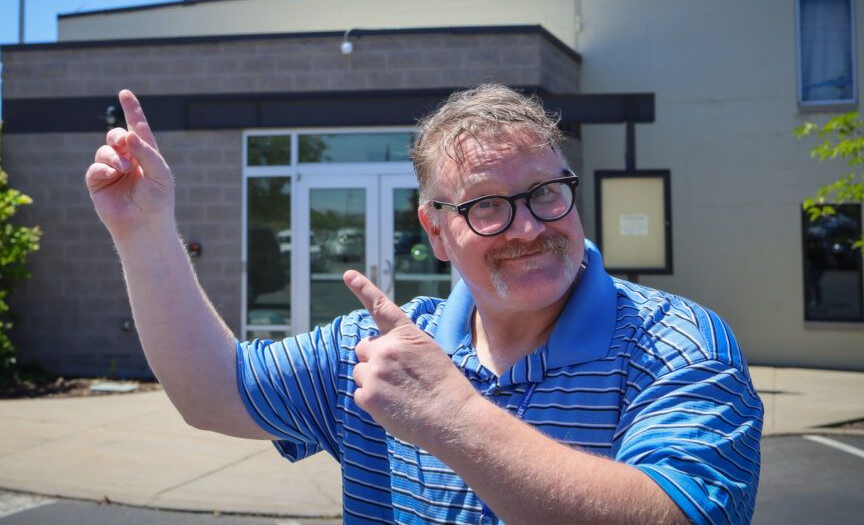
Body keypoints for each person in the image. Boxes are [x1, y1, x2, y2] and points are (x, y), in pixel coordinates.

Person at [87, 84, 762, 524]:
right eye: (488, 205)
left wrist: (453, 415)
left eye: (546, 193)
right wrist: (145, 232)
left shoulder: (677, 344)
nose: (528, 227)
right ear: (437, 229)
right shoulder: (383, 349)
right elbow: (211, 392)